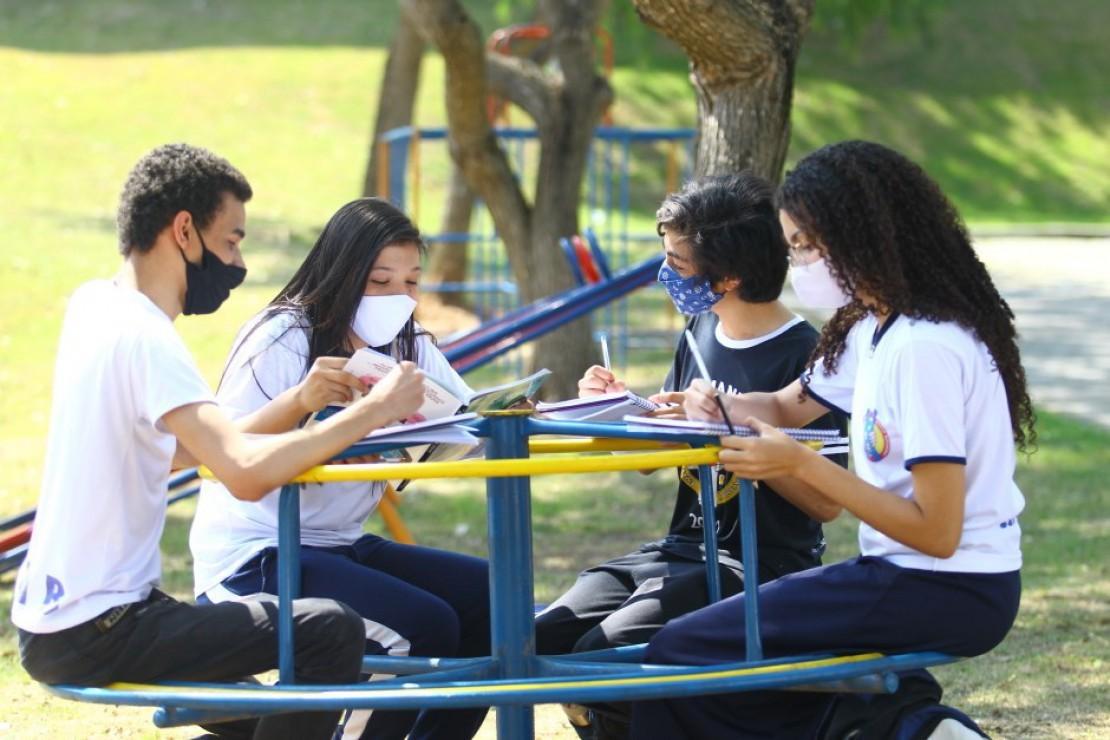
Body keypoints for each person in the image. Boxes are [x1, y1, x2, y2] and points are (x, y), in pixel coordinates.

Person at [12, 143, 429, 740]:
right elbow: (242, 472)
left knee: (266, 716)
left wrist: (300, 402)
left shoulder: (95, 306)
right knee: (328, 629)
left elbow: (193, 452)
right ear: (184, 231)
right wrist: (373, 412)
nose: (238, 263)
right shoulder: (147, 338)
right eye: (231, 241)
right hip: (99, 624)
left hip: (65, 615)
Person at [630, 141, 1030, 739]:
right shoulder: (872, 327)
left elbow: (937, 533)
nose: (796, 264)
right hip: (906, 575)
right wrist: (713, 403)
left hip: (950, 588)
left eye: (804, 247)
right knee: (692, 653)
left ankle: (908, 725)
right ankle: (908, 726)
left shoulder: (923, 347)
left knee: (679, 656)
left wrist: (798, 462)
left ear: (861, 236)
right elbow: (787, 403)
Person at [535, 173, 847, 739]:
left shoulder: (810, 356)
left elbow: (827, 503)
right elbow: (655, 456)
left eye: (677, 263)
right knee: (539, 637)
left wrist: (738, 441)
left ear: (729, 276)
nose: (665, 275)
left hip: (758, 563)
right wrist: (619, 409)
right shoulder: (700, 328)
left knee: (596, 659)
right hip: (680, 548)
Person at [189, 197, 491, 740]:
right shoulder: (285, 333)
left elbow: (474, 418)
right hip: (258, 551)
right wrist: (310, 408)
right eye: (379, 282)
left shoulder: (408, 343)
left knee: (492, 600)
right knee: (424, 626)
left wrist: (557, 406)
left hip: (340, 543)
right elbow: (224, 447)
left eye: (412, 283)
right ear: (343, 273)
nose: (398, 299)